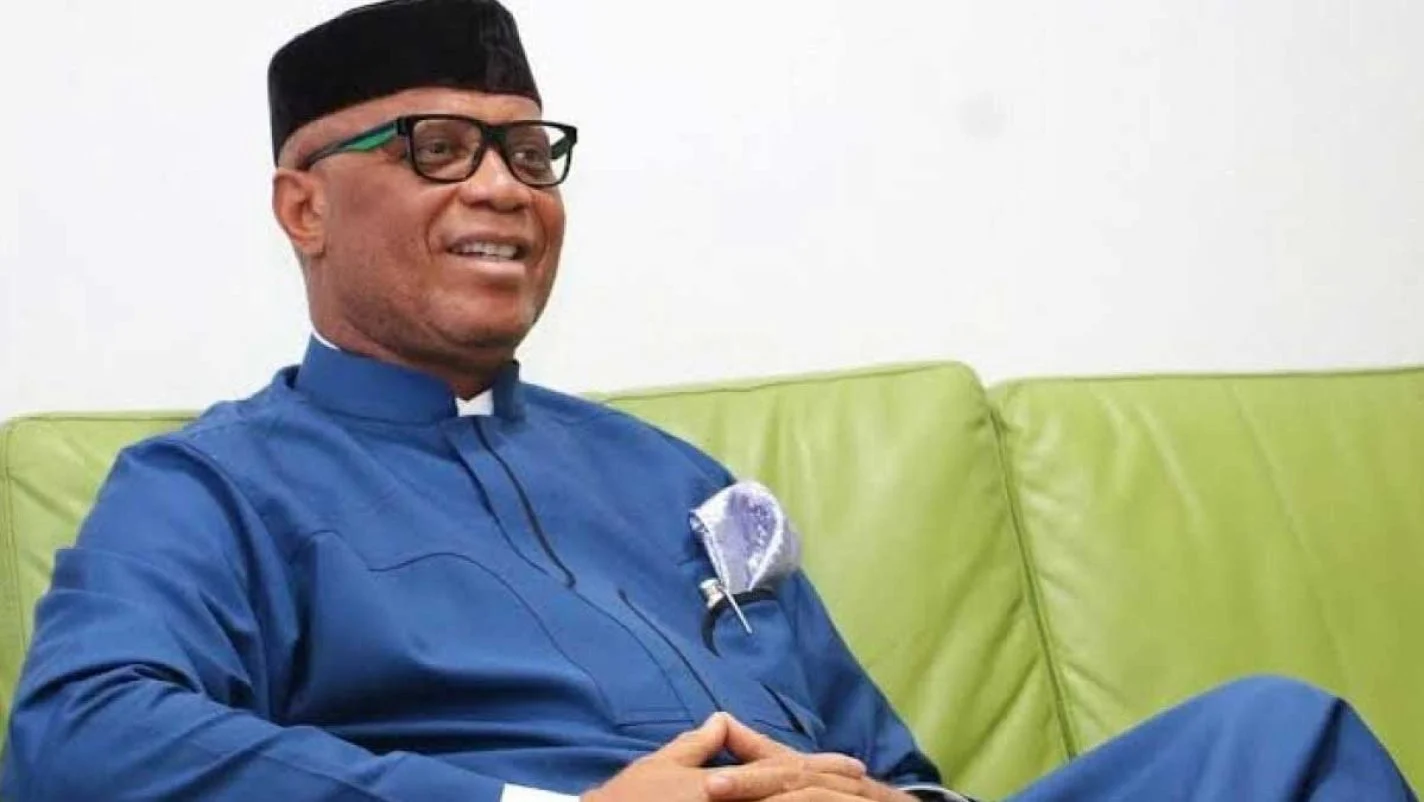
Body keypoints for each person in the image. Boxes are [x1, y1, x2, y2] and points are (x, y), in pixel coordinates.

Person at [0, 2, 1414, 801]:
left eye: (530, 154)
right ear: (303, 206)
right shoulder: (210, 486)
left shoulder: (671, 475)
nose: (503, 188)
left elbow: (891, 756)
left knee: (1273, 735)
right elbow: (77, 738)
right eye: (436, 148)